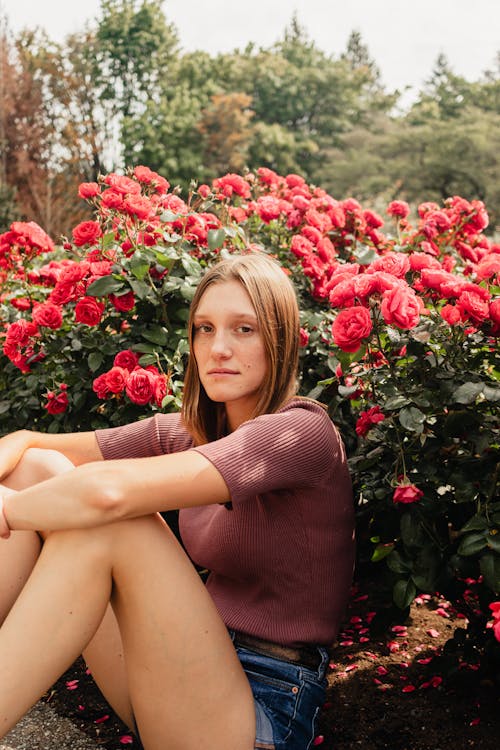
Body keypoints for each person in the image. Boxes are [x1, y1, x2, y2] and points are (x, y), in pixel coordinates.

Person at [0, 252, 355, 750]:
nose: (219, 349)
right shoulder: (195, 434)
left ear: (279, 339)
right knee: (38, 471)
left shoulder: (301, 432)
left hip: (258, 713)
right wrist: (13, 453)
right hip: (186, 673)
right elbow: (37, 447)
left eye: (244, 329)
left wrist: (6, 511)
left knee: (114, 523)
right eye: (205, 329)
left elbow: (107, 494)